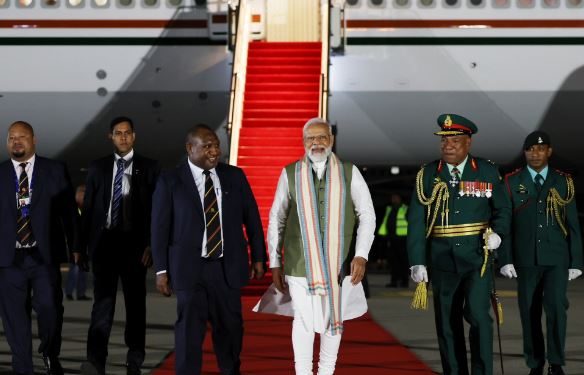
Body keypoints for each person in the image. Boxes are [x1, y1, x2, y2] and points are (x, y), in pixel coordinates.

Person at [151, 124, 266, 375]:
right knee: (189, 332)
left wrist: (259, 256)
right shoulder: (170, 180)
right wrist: (161, 270)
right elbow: (159, 228)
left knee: (231, 329)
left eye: (216, 145)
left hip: (226, 268)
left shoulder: (235, 176)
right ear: (190, 148)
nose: (214, 151)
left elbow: (252, 219)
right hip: (189, 270)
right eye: (207, 146)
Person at [265, 118, 376, 375]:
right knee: (303, 322)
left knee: (332, 322)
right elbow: (277, 218)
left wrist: (361, 255)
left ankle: (326, 372)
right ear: (303, 142)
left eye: (322, 138)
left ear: (332, 140)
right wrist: (275, 261)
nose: (316, 143)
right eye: (310, 139)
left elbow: (367, 214)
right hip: (298, 263)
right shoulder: (290, 172)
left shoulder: (349, 171)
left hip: (341, 264)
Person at [407, 114, 511, 375]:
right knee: (446, 323)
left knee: (478, 317)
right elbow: (417, 221)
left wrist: (497, 234)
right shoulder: (428, 174)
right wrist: (417, 260)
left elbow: (503, 209)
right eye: (444, 141)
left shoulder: (486, 171)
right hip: (441, 259)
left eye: (454, 140)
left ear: (468, 143)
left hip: (477, 257)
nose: (448, 145)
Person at [79, 116, 160, 375]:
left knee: (136, 307)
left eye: (127, 133)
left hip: (135, 248)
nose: (123, 137)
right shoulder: (98, 167)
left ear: (134, 136)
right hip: (105, 246)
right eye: (118, 133)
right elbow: (89, 209)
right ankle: (95, 360)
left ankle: (134, 359)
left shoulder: (149, 167)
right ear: (110, 137)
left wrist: (152, 245)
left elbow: (156, 212)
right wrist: (80, 245)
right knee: (102, 306)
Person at [499, 131, 583, 375]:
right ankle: (535, 363)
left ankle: (555, 362)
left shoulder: (563, 181)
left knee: (557, 309)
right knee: (529, 312)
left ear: (549, 151)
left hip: (557, 259)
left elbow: (573, 225)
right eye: (530, 149)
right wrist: (505, 259)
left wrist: (576, 260)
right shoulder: (511, 181)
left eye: (540, 149)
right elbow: (506, 223)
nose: (535, 153)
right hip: (526, 259)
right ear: (525, 152)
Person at [0, 121, 78, 375]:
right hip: (9, 259)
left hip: (43, 257)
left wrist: (76, 246)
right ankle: (23, 367)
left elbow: (68, 214)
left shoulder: (54, 170)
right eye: (12, 138)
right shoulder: (0, 173)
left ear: (34, 139)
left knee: (50, 308)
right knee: (14, 318)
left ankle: (49, 352)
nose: (16, 142)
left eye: (22, 137)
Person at [65, 184, 90, 301]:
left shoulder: (84, 209)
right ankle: (69, 292)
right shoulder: (73, 209)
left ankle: (80, 293)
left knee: (81, 271)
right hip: (74, 245)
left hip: (82, 245)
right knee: (74, 270)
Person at [378, 193, 409, 288]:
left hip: (403, 239)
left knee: (403, 261)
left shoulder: (405, 209)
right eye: (392, 198)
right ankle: (394, 281)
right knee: (393, 261)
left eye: (396, 197)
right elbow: (386, 222)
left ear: (400, 199)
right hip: (392, 239)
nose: (394, 199)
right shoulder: (389, 209)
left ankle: (404, 281)